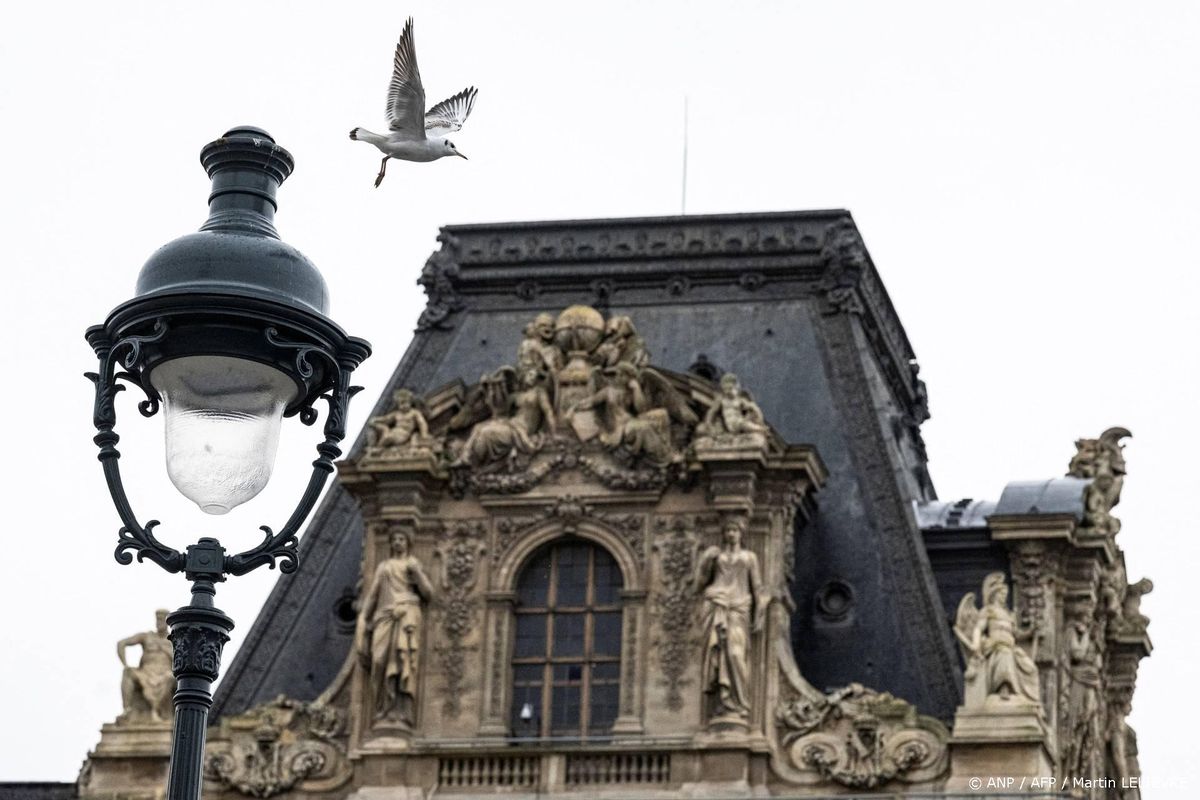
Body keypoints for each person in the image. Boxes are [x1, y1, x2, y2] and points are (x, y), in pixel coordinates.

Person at [356, 529, 435, 723]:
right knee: (378, 660)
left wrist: (417, 573)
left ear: (408, 543)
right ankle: (383, 706)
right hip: (385, 615)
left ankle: (400, 709)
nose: (398, 542)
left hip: (406, 615)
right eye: (395, 539)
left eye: (402, 539)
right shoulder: (384, 567)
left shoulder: (413, 564)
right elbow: (373, 595)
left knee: (403, 660)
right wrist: (363, 617)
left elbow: (428, 593)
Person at [694, 519, 767, 721]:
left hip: (739, 608)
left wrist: (760, 611)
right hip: (716, 603)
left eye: (734, 530)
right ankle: (725, 702)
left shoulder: (749, 557)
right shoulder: (716, 556)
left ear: (741, 533)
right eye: (727, 530)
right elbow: (698, 585)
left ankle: (739, 702)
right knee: (719, 653)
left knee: (735, 654)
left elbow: (757, 587)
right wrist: (705, 561)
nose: (731, 533)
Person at [116, 609, 175, 723]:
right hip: (145, 672)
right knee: (127, 672)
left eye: (162, 620)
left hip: (164, 672)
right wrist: (125, 664)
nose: (159, 622)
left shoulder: (173, 639)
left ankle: (156, 711)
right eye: (158, 619)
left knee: (169, 677)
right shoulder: (147, 636)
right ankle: (127, 710)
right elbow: (121, 643)